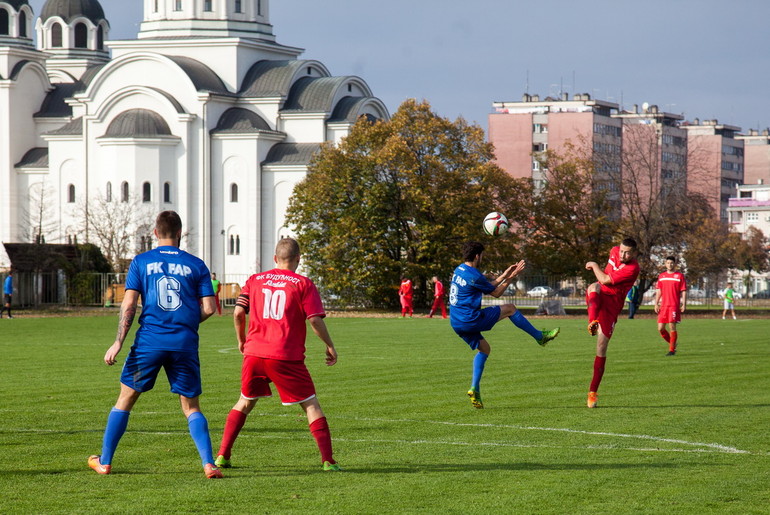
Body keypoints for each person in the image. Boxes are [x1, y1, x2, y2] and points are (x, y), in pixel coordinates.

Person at [88, 211, 223, 479]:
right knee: (191, 406)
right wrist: (183, 322)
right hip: (184, 345)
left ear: (154, 233)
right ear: (180, 234)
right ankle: (209, 464)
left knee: (125, 400)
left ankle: (105, 461)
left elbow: (128, 304)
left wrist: (117, 343)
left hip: (149, 344)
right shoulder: (196, 265)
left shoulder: (141, 262)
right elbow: (209, 307)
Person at [215, 237, 340, 471]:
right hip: (285, 355)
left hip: (254, 353)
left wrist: (242, 340)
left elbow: (238, 313)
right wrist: (329, 345)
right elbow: (314, 319)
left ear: (275, 258)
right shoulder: (303, 283)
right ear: (298, 259)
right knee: (311, 405)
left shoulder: (255, 280)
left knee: (244, 402)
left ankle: (222, 455)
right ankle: (328, 461)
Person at [449, 241, 560, 409]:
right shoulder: (474, 274)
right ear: (478, 256)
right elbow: (497, 293)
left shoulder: (460, 270)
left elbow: (486, 285)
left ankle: (475, 388)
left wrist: (504, 275)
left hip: (456, 322)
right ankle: (540, 337)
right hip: (470, 319)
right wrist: (512, 276)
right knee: (510, 308)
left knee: (485, 349)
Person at [585, 237, 640, 408]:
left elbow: (606, 280)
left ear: (634, 253)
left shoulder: (633, 268)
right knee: (593, 287)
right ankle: (592, 321)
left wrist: (594, 265)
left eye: (627, 253)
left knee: (601, 347)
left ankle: (592, 393)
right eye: (622, 251)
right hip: (600, 295)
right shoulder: (614, 251)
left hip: (612, 306)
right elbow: (601, 283)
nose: (623, 254)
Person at [654, 256, 687, 356]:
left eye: (671, 263)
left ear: (675, 264)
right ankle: (673, 343)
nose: (669, 265)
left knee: (672, 326)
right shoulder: (662, 276)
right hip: (663, 306)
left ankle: (671, 350)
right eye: (668, 263)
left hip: (673, 305)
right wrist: (656, 303)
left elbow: (683, 291)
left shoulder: (679, 276)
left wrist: (684, 304)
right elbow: (659, 290)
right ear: (665, 264)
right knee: (660, 328)